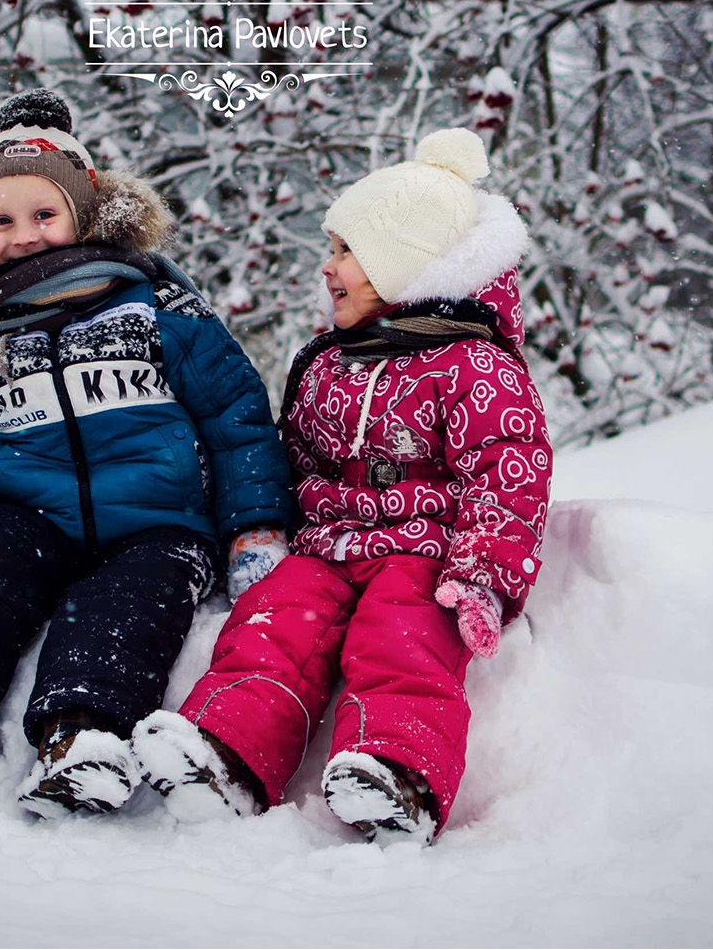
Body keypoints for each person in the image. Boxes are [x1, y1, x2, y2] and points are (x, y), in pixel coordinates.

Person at [0, 89, 294, 817]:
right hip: (28, 511)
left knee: (128, 606)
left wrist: (254, 525)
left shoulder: (155, 309)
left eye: (44, 214)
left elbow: (237, 417)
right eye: (3, 221)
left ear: (83, 212)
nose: (26, 235)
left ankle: (83, 735)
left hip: (159, 518)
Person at [132, 127, 552, 844]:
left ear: (406, 260)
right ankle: (228, 750)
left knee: (402, 640)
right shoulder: (328, 362)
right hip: (326, 549)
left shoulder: (473, 366)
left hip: (424, 551)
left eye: (347, 252)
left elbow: (510, 474)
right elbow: (293, 459)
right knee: (271, 627)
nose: (328, 269)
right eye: (331, 250)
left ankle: (399, 771)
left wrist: (482, 575)